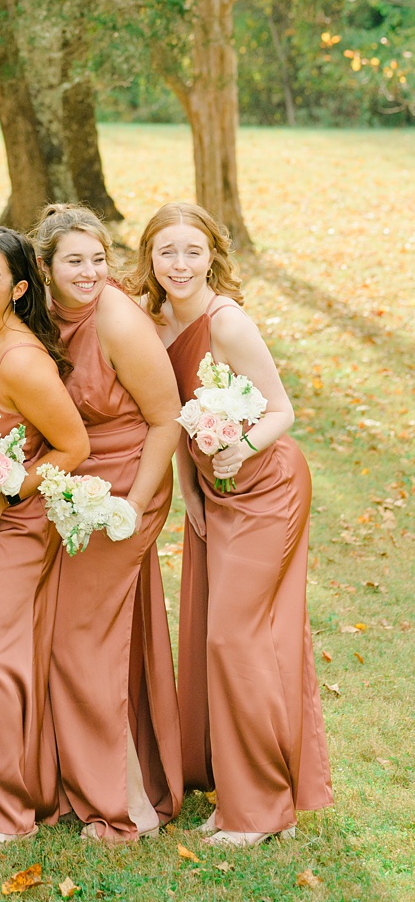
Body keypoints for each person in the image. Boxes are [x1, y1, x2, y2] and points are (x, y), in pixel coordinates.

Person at [134, 200, 331, 847]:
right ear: (151, 258)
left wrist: (242, 449)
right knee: (214, 636)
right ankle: (235, 790)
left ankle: (262, 807)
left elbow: (282, 409)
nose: (181, 263)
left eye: (193, 250)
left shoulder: (228, 321)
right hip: (213, 494)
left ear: (212, 254)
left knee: (234, 638)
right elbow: (170, 413)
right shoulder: (153, 322)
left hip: (267, 485)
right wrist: (190, 492)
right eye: (168, 251)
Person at [35, 202, 185, 841]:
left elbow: (166, 420)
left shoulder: (117, 322)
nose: (91, 272)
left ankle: (122, 806)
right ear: (44, 268)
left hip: (130, 482)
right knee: (87, 632)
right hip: (75, 481)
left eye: (99, 259)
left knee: (79, 637)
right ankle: (110, 775)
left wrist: (133, 505)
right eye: (75, 261)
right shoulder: (41, 316)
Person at [0, 226, 90, 855]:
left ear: (20, 288)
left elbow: (74, 445)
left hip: (14, 528)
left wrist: (9, 493)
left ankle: (7, 814)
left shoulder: (22, 361)